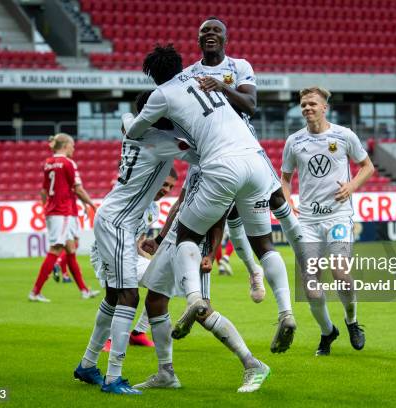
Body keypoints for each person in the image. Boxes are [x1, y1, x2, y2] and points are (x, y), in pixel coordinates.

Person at [125, 44, 296, 354]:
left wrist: (131, 123)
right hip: (256, 160)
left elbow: (135, 130)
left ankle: (193, 299)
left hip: (220, 165)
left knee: (187, 235)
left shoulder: (162, 96)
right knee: (264, 244)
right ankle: (286, 312)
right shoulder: (203, 81)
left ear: (152, 75)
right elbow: (243, 105)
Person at [73, 93, 198, 395]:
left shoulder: (133, 128)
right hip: (118, 222)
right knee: (129, 296)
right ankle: (114, 376)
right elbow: (198, 152)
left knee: (116, 297)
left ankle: (88, 364)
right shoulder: (161, 143)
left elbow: (127, 118)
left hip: (116, 219)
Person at [184, 17, 305, 304]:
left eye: (216, 31)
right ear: (199, 40)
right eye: (205, 32)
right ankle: (249, 273)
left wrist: (221, 87)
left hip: (245, 145)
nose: (210, 34)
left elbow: (250, 104)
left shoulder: (239, 66)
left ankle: (306, 259)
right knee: (224, 218)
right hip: (208, 152)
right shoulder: (188, 74)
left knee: (277, 199)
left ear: (225, 38)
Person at [135, 165, 270, 392]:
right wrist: (159, 239)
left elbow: (220, 219)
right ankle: (166, 373)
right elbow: (179, 204)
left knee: (201, 309)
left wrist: (210, 254)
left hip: (198, 241)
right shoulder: (196, 164)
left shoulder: (225, 167)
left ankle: (253, 364)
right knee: (155, 300)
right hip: (174, 238)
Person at [281, 87, 374, 355]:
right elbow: (285, 179)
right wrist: (287, 198)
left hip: (338, 215)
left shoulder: (343, 135)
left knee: (341, 275)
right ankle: (327, 332)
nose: (307, 108)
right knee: (311, 288)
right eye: (303, 104)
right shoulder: (294, 141)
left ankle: (352, 321)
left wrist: (351, 186)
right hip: (308, 221)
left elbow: (367, 166)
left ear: (325, 108)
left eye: (312, 104)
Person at [100, 169, 178, 352]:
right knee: (122, 293)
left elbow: (135, 240)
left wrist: (147, 255)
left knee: (166, 278)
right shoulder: (131, 199)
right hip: (109, 252)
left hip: (129, 255)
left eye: (171, 187)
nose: (167, 189)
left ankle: (138, 332)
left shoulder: (154, 209)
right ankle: (109, 339)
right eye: (164, 184)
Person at [29, 133, 98, 302]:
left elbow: (44, 191)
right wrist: (91, 204)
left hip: (54, 211)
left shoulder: (48, 163)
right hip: (63, 212)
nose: (74, 149)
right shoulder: (68, 163)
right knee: (56, 249)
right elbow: (78, 189)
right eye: (72, 146)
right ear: (66, 145)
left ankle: (84, 290)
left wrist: (46, 208)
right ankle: (35, 292)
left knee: (70, 250)